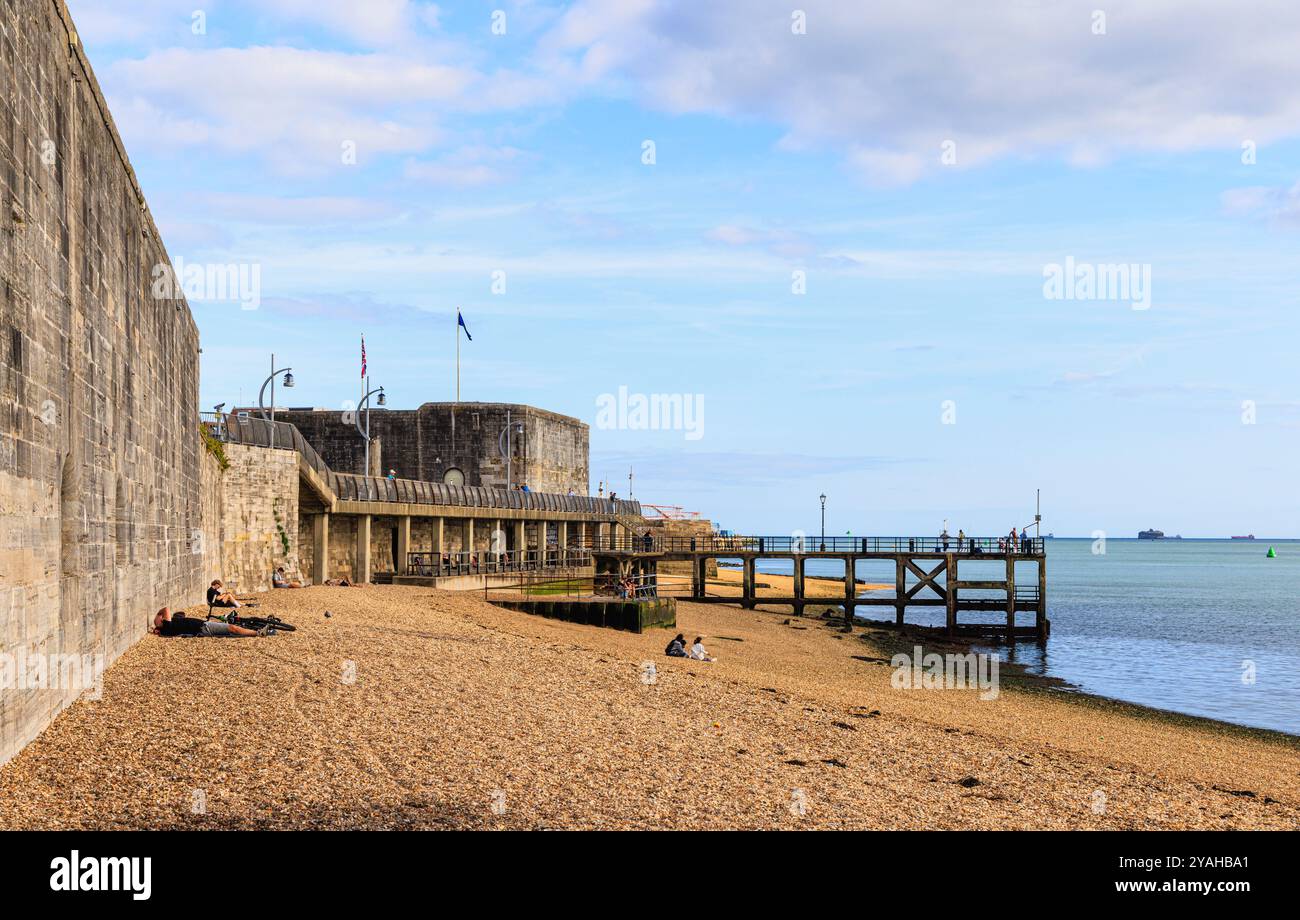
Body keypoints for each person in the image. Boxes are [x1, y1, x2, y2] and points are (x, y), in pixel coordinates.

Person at [152, 607, 264, 638]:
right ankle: (257, 633)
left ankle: (255, 632)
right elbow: (165, 609)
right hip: (203, 627)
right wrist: (158, 616)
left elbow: (179, 615)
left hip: (203, 626)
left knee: (231, 627)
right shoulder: (167, 627)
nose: (163, 618)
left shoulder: (168, 627)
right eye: (161, 619)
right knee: (231, 628)